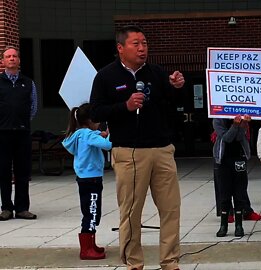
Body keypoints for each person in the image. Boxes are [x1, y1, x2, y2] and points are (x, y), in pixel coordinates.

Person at [89, 25, 184, 270]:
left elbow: (172, 106)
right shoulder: (105, 76)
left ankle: (170, 261)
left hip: (162, 150)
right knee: (131, 212)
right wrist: (125, 106)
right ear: (120, 48)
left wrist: (176, 87)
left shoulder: (158, 73)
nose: (142, 48)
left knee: (171, 209)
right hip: (128, 152)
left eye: (144, 43)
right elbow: (96, 111)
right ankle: (134, 262)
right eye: (136, 44)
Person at [62, 103, 112, 260]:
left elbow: (95, 139)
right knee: (91, 213)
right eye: (97, 119)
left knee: (90, 211)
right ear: (90, 120)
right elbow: (108, 145)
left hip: (85, 179)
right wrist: (110, 133)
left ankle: (91, 244)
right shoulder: (88, 135)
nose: (99, 122)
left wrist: (99, 134)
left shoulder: (79, 134)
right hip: (92, 180)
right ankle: (86, 249)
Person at [0, 47, 38, 221]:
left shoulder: (28, 83)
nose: (12, 59)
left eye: (15, 56)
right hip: (2, 133)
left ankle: (22, 208)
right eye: (8, 56)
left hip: (22, 133)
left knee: (23, 172)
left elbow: (33, 107)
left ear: (19, 60)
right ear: (3, 61)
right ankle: (6, 208)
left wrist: (22, 121)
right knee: (4, 172)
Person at [213, 114, 255, 237]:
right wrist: (235, 125)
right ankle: (223, 225)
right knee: (224, 193)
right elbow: (227, 138)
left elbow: (240, 137)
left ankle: (239, 225)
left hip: (239, 158)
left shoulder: (242, 118)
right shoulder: (218, 119)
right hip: (223, 161)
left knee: (239, 193)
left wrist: (243, 124)